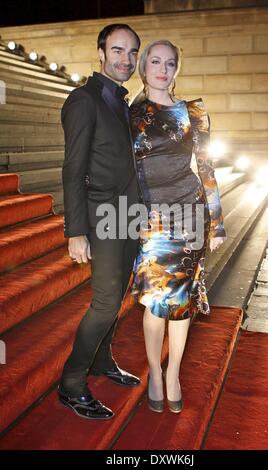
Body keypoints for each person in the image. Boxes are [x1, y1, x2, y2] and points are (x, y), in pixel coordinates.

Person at [129, 40, 226, 413]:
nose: (163, 69)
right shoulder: (130, 114)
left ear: (176, 69)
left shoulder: (193, 112)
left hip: (191, 215)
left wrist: (216, 225)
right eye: (155, 61)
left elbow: (207, 169)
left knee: (181, 304)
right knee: (156, 303)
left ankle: (173, 375)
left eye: (170, 63)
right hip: (151, 220)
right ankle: (155, 371)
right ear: (144, 66)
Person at [58, 24, 141, 420]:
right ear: (101, 52)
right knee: (106, 303)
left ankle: (102, 360)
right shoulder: (83, 100)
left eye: (132, 52)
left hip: (130, 216)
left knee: (118, 297)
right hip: (101, 216)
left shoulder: (123, 103)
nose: (126, 59)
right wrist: (75, 231)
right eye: (118, 50)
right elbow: (72, 168)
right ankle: (71, 384)